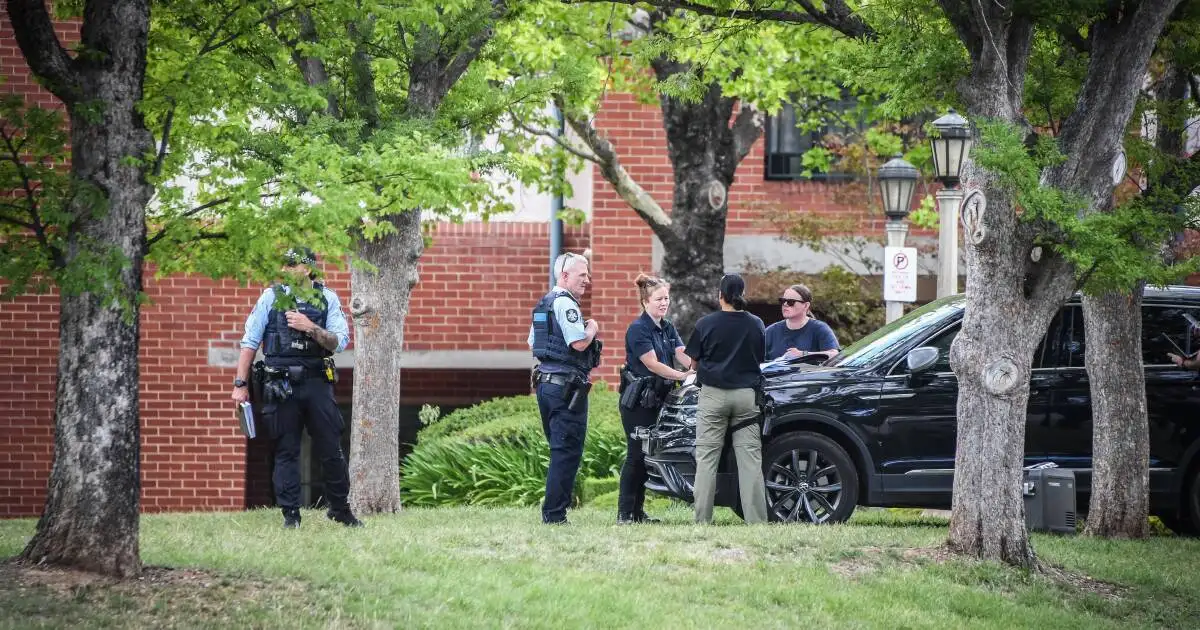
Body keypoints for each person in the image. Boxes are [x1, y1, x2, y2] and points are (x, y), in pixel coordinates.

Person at [232, 247, 362, 529]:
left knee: (330, 447)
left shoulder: (327, 298)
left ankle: (340, 509)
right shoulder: (271, 297)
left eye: (294, 265)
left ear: (308, 268)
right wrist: (240, 384)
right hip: (280, 384)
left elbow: (339, 342)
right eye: (286, 265)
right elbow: (250, 342)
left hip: (316, 384)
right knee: (285, 449)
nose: (288, 269)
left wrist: (309, 326)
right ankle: (291, 515)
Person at [684, 273, 768, 524]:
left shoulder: (706, 324)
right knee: (750, 460)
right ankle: (757, 522)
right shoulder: (756, 324)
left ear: (720, 295)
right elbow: (760, 359)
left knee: (707, 458)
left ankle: (702, 521)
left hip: (713, 396)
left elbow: (694, 364)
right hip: (746, 397)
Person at [527, 252, 602, 524]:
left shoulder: (543, 304)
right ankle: (555, 515)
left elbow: (534, 343)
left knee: (559, 449)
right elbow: (579, 343)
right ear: (565, 275)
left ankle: (554, 512)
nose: (587, 280)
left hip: (546, 385)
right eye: (583, 275)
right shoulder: (566, 304)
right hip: (566, 389)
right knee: (566, 450)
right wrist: (591, 326)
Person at [616, 274, 693, 524]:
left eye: (666, 299)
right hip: (638, 403)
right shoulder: (638, 329)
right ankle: (625, 513)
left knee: (646, 458)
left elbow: (682, 353)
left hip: (658, 400)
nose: (664, 303)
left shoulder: (667, 326)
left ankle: (638, 513)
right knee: (636, 455)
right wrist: (683, 375)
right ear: (645, 302)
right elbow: (653, 364)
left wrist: (698, 366)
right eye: (659, 299)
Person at [764, 284, 840, 361]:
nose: (785, 304)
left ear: (806, 305)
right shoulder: (771, 331)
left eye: (791, 302)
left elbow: (835, 355)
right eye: (783, 301)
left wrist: (803, 354)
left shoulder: (820, 329)